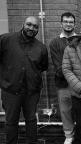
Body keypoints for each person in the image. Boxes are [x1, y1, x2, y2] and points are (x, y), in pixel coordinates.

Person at [0, 16, 48, 144]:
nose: (31, 28)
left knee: (31, 120)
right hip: (10, 90)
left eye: (35, 26)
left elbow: (43, 67)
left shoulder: (41, 47)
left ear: (38, 29)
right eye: (29, 24)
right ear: (23, 24)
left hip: (32, 92)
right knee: (11, 121)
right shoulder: (5, 39)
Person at [49, 12, 79, 144]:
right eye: (66, 21)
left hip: (80, 83)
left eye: (71, 22)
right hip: (63, 83)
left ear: (74, 24)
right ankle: (68, 135)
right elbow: (58, 65)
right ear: (61, 23)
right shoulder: (55, 42)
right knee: (65, 110)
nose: (68, 24)